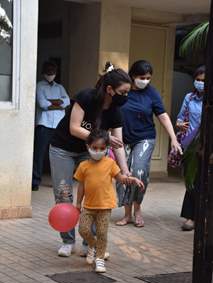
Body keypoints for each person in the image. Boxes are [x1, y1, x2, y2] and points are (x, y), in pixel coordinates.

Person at [49, 63, 132, 257]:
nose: (126, 97)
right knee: (64, 194)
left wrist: (125, 169)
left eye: (128, 93)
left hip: (90, 151)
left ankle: (90, 243)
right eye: (123, 92)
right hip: (63, 148)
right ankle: (68, 241)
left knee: (94, 194)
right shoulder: (86, 97)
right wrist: (104, 138)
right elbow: (74, 128)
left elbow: (118, 145)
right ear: (110, 89)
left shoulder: (116, 112)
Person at [116, 60, 182, 227]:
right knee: (124, 174)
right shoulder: (123, 90)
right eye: (141, 77)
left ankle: (137, 209)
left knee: (139, 171)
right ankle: (127, 214)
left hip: (145, 137)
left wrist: (173, 138)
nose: (145, 80)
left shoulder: (151, 93)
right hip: (122, 138)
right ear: (132, 76)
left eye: (148, 78)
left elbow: (163, 115)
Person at [76, 129, 144, 273]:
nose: (98, 151)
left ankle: (99, 259)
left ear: (107, 148)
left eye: (102, 148)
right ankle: (93, 246)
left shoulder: (110, 164)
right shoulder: (83, 166)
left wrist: (131, 179)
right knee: (83, 230)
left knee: (102, 233)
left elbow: (120, 178)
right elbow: (81, 186)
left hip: (105, 206)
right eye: (94, 148)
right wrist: (77, 203)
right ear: (88, 146)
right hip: (88, 206)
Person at [32, 61, 70, 191]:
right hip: (44, 125)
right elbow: (42, 104)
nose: (50, 74)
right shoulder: (39, 86)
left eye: (53, 72)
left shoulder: (59, 87)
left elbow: (67, 101)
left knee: (58, 155)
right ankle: (35, 181)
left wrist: (52, 103)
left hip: (58, 126)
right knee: (39, 154)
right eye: (48, 72)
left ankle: (57, 182)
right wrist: (58, 103)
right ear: (44, 72)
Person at [176, 65, 205, 231]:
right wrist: (180, 125)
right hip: (191, 146)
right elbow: (180, 119)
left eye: (204, 81)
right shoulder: (189, 97)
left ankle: (202, 216)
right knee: (191, 180)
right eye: (198, 80)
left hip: (207, 146)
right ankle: (190, 217)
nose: (200, 83)